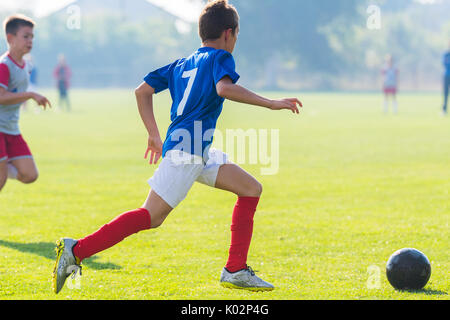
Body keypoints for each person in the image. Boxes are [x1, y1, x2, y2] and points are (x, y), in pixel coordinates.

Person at [52, 0, 302, 294]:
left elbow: (142, 90)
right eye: (236, 35)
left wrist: (153, 134)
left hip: (195, 149)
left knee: (250, 188)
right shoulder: (220, 57)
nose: (235, 41)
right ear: (228, 33)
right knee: (151, 216)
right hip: (188, 151)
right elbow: (224, 88)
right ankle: (77, 250)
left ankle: (235, 268)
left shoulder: (182, 63)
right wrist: (271, 103)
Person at [0, 15, 51, 192]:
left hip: (11, 129)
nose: (30, 41)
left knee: (30, 175)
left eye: (32, 37)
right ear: (10, 38)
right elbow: (0, 96)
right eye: (25, 36)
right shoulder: (4, 65)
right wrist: (30, 94)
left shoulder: (26, 65)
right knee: (0, 181)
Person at [442, 42, 450, 116]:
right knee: (446, 93)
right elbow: (444, 63)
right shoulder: (446, 54)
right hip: (447, 75)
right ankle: (444, 110)